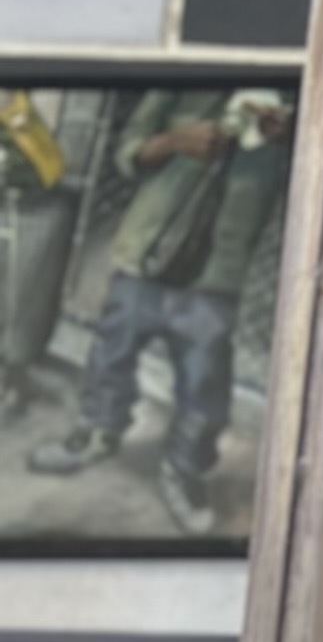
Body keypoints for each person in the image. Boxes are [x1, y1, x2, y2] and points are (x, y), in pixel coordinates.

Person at [24, 80, 293, 537]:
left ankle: (186, 469)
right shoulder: (182, 83)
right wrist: (176, 140)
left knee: (203, 378)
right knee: (112, 352)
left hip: (217, 270)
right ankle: (96, 433)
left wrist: (292, 137)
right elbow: (127, 153)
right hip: (144, 252)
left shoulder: (294, 97)